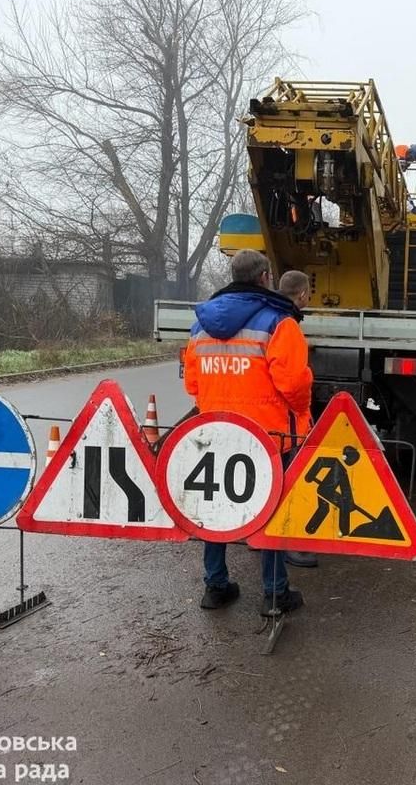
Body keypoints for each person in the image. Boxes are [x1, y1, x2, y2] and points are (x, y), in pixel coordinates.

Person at [184, 250, 311, 615]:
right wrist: (301, 412)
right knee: (270, 510)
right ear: (265, 278)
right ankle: (274, 592)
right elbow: (294, 384)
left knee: (215, 507)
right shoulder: (279, 322)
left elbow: (192, 383)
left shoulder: (200, 325)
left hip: (215, 432)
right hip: (267, 437)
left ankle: (216, 587)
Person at [275, 270, 319, 569]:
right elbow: (293, 383)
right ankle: (284, 543)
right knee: (285, 480)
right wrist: (303, 410)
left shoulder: (256, 316)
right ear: (302, 294)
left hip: (236, 418)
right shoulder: (285, 324)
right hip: (278, 421)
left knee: (260, 481)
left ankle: (255, 534)